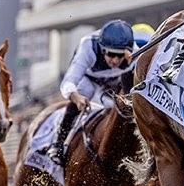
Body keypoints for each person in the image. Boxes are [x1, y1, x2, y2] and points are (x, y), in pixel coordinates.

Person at [47, 19, 134, 164]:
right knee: (85, 91)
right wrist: (76, 97)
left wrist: (133, 64)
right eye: (111, 54)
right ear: (102, 49)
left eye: (120, 55)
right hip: (90, 79)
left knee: (130, 101)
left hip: (115, 81)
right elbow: (68, 82)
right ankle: (58, 143)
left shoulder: (134, 53)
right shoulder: (88, 47)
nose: (115, 60)